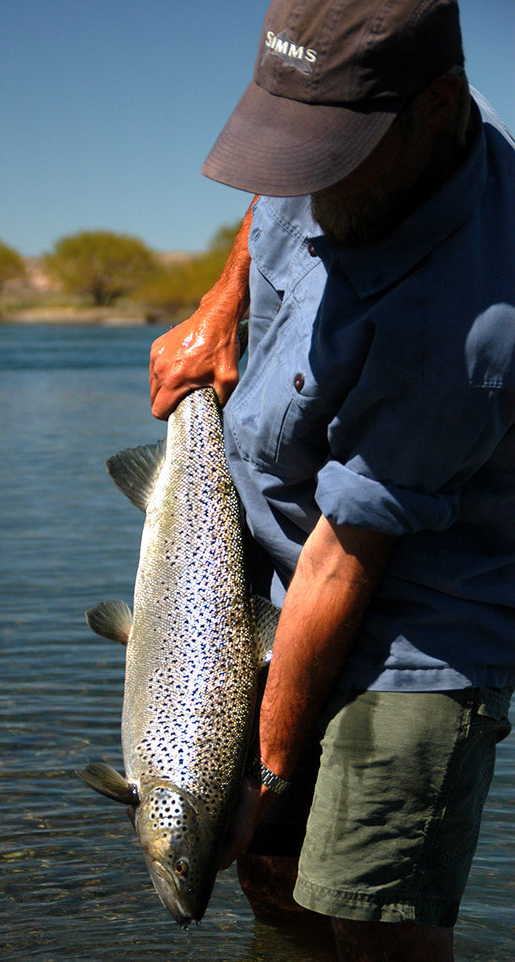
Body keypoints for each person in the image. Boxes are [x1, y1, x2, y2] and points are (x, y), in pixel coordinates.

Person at [149, 1, 515, 960]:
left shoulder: (471, 328)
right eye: (288, 141)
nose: (300, 176)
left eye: (328, 154)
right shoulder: (355, 130)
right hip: (274, 576)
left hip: (412, 631)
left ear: (437, 111)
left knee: (369, 917)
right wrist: (222, 299)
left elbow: (342, 567)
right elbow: (270, 198)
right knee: (274, 883)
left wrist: (266, 769)